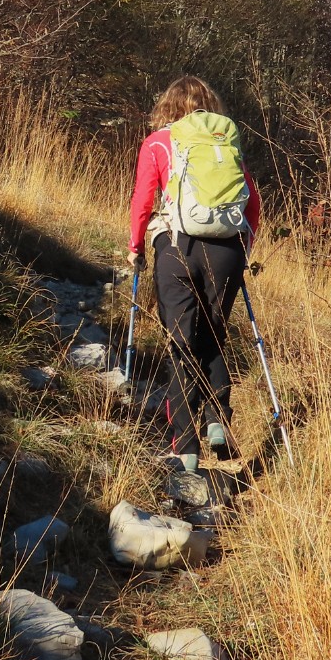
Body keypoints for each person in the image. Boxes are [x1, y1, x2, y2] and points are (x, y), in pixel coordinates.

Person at [127, 76, 261, 474]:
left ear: (167, 107)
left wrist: (136, 246)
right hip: (227, 249)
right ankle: (218, 420)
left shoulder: (157, 143)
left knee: (181, 342)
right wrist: (243, 249)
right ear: (209, 105)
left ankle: (184, 449)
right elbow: (251, 201)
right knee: (214, 332)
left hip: (176, 246)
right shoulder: (224, 143)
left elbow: (142, 199)